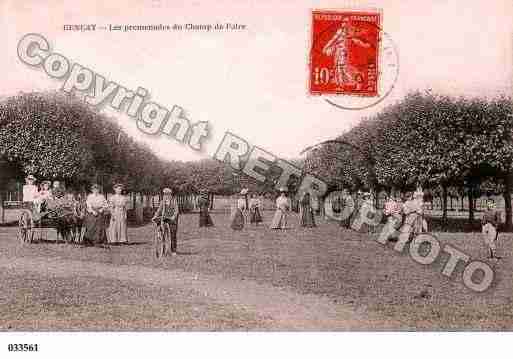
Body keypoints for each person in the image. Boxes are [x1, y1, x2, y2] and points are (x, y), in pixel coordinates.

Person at [152, 188, 180, 255]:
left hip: (172, 219)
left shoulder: (174, 201)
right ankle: (159, 233)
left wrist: (173, 217)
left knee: (173, 233)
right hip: (165, 218)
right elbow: (159, 210)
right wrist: (155, 216)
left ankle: (173, 250)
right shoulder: (162, 202)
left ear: (170, 194)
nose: (166, 196)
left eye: (167, 194)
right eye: (165, 194)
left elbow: (176, 211)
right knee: (158, 221)